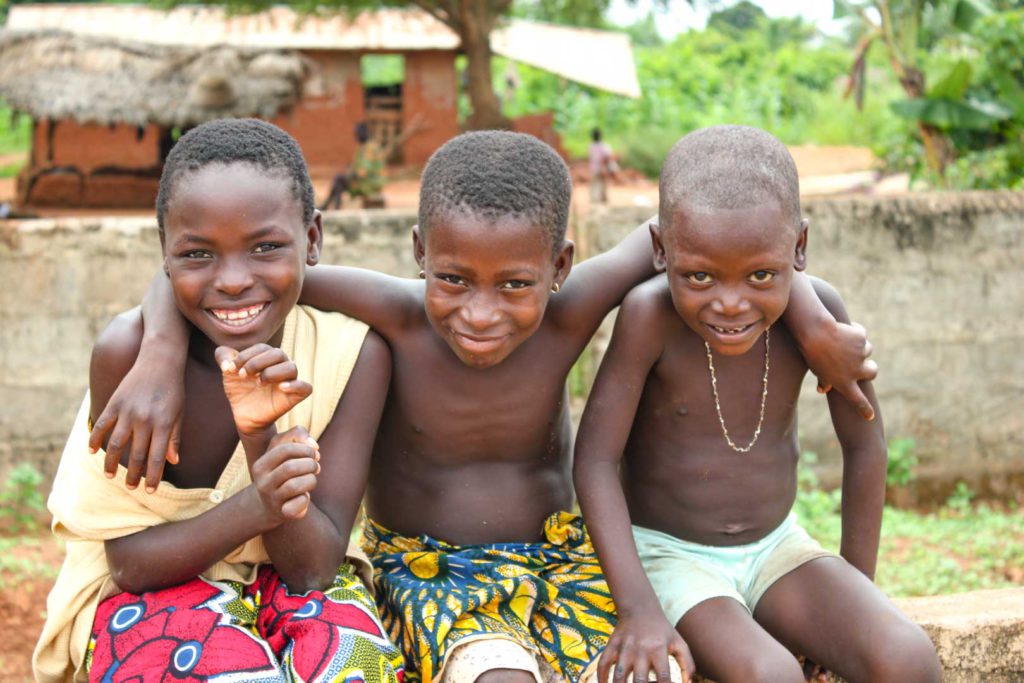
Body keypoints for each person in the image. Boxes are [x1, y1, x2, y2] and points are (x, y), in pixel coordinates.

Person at [90, 131, 878, 682]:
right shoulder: (395, 315)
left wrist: (810, 315)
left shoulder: (571, 310)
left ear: (560, 265)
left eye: (515, 285)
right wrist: (158, 349)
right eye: (454, 280)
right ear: (420, 256)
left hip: (560, 560)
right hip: (430, 570)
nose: (480, 312)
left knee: (654, 670)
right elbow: (233, 274)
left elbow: (714, 241)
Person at [33, 119, 404, 683]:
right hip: (147, 593)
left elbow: (313, 570)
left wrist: (260, 439)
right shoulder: (128, 358)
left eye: (266, 247)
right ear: (164, 254)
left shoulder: (352, 356)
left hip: (291, 579)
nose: (232, 280)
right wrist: (259, 503)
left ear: (313, 238)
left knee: (354, 663)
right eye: (198, 253)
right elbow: (130, 566)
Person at [573, 125, 941, 683]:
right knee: (771, 675)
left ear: (799, 246)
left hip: (778, 548)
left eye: (761, 275)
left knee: (907, 657)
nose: (730, 303)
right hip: (670, 557)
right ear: (659, 250)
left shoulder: (821, 317)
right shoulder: (649, 317)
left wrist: (854, 589)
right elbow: (595, 460)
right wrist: (638, 609)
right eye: (699, 276)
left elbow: (865, 444)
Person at [319, 121, 386, 211]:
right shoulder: (366, 146)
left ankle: (333, 207)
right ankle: (330, 206)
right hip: (368, 182)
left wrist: (349, 175)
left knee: (339, 180)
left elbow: (363, 172)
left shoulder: (369, 149)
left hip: (370, 184)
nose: (356, 136)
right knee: (339, 180)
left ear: (363, 134)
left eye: (357, 134)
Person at [587, 128, 617, 205]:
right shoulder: (604, 146)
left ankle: (595, 201)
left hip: (594, 168)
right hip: (602, 168)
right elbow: (608, 157)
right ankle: (603, 201)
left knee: (595, 184)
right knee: (603, 184)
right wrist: (605, 167)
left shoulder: (591, 146)